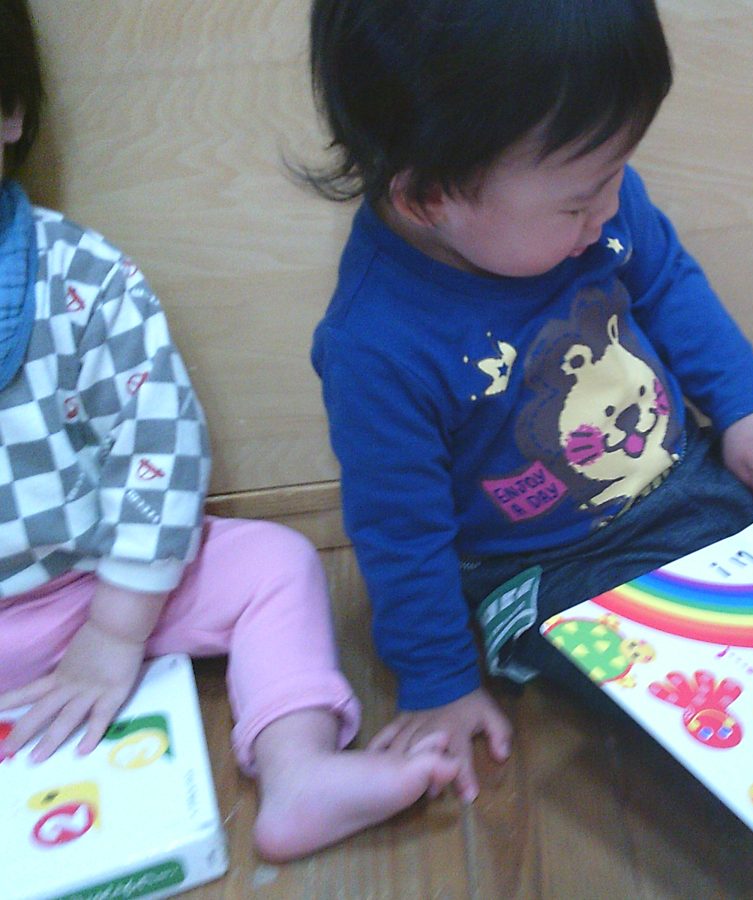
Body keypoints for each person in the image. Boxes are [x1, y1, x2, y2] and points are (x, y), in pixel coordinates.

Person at [305, 0, 753, 803]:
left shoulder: (591, 199)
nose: (609, 211)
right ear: (429, 198)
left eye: (616, 175)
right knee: (700, 680)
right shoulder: (377, 346)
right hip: (546, 567)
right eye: (577, 203)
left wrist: (750, 411)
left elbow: (669, 286)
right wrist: (436, 681)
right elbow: (400, 530)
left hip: (688, 475)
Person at [0, 0, 458, 863]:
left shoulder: (83, 278)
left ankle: (300, 770)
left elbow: (161, 452)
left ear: (11, 112)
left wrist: (114, 631)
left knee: (276, 565)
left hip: (101, 590)